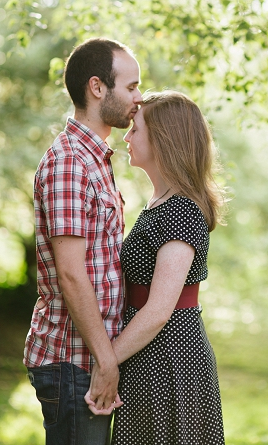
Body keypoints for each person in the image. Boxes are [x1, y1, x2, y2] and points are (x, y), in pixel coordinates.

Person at [24, 38, 143, 445]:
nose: (138, 98)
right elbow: (72, 275)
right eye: (130, 87)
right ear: (97, 88)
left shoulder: (94, 158)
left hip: (88, 357)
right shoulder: (69, 162)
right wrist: (106, 360)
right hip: (72, 362)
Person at [102, 90, 226, 444]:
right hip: (151, 356)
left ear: (163, 139)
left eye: (135, 130)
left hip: (171, 361)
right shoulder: (162, 203)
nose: (125, 136)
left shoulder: (182, 211)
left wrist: (105, 362)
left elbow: (158, 310)